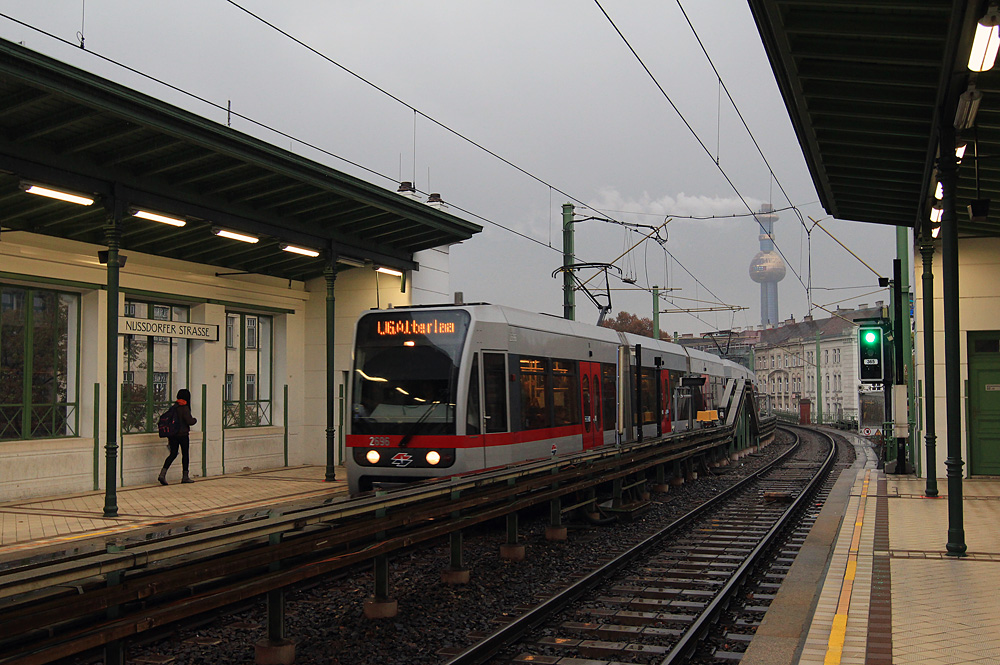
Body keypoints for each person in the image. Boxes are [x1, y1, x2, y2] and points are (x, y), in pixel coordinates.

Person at [158, 388, 197, 485]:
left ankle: (162, 474)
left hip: (172, 435)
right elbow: (189, 421)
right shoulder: (185, 408)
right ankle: (185, 476)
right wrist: (194, 420)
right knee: (185, 455)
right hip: (183, 435)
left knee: (173, 454)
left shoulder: (174, 407)